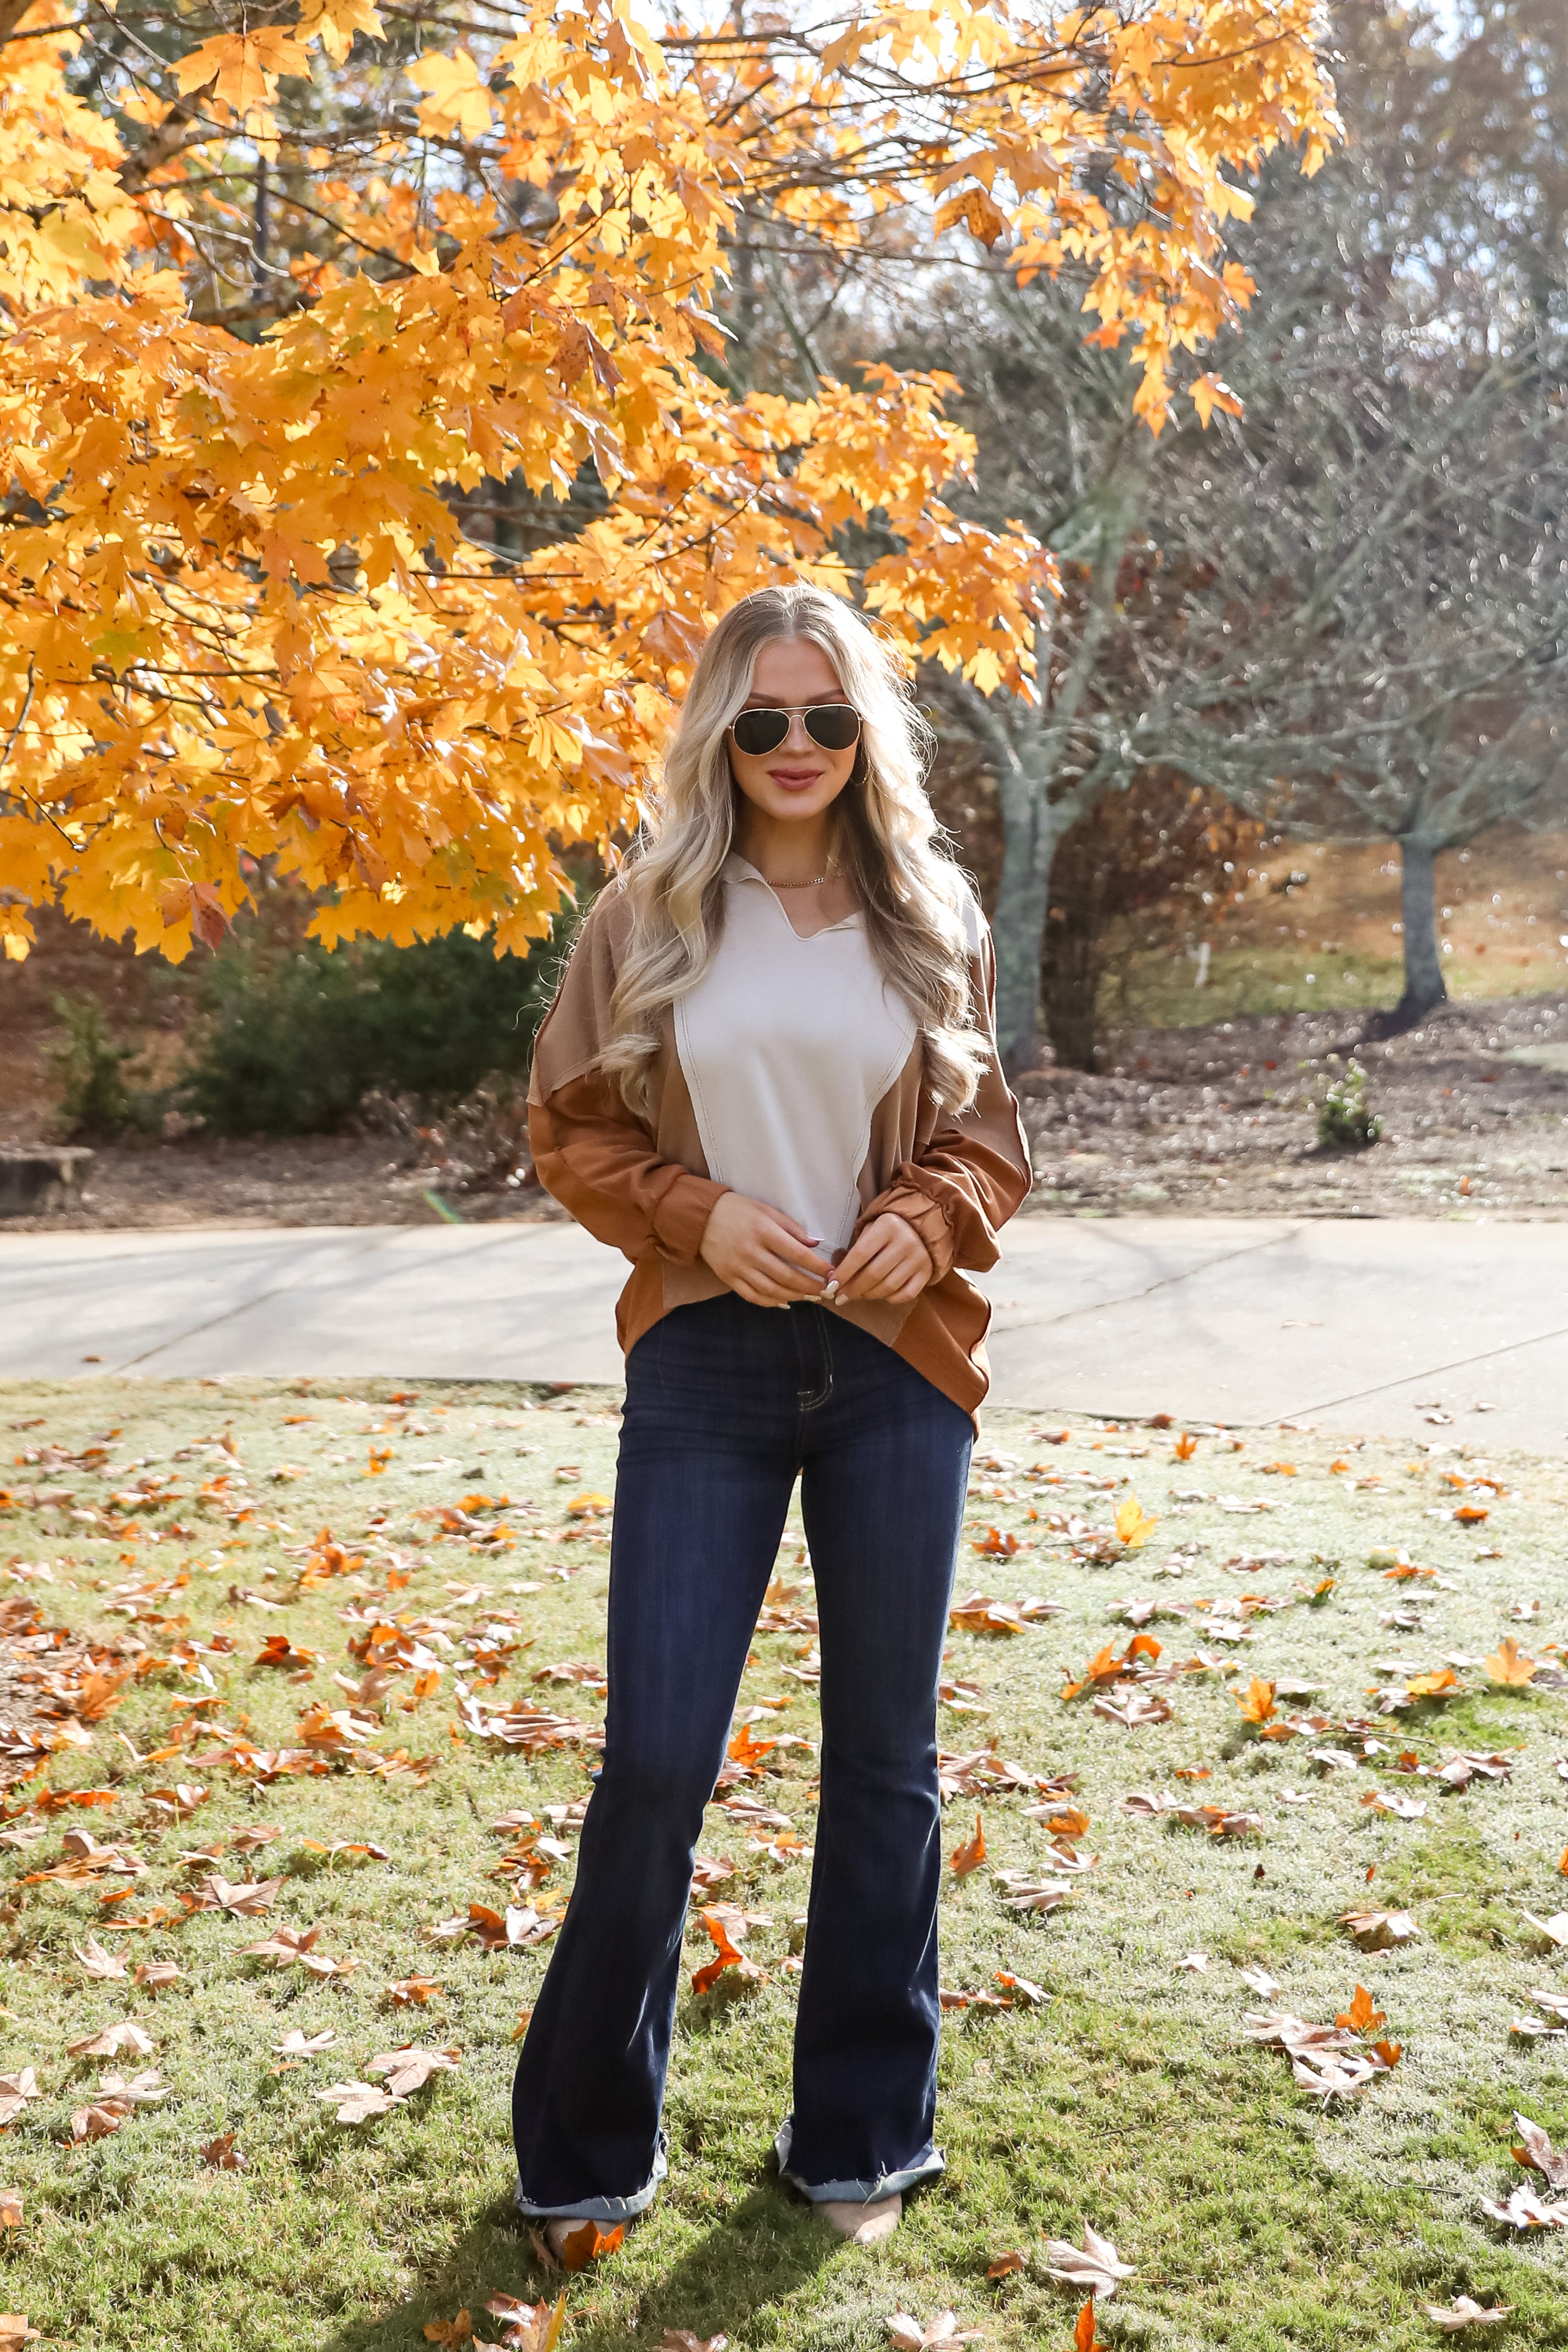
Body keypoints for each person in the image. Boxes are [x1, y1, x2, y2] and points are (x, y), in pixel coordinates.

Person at [512, 579, 1031, 2253]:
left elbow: (988, 1143)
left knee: (884, 1760)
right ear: (718, 735)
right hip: (706, 1373)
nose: (794, 745)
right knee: (659, 1758)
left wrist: (926, 1221)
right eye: (760, 720)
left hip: (892, 1373)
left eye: (824, 716)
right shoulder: (647, 915)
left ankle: (859, 2139)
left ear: (863, 731)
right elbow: (568, 1129)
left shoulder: (929, 913)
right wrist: (696, 1214)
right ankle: (587, 2145)